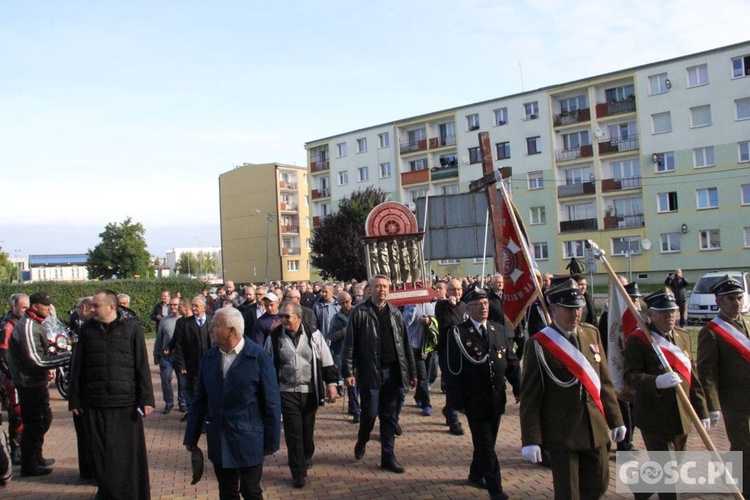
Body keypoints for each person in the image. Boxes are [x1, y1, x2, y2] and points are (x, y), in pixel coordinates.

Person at [520, 279, 625, 500]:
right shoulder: (539, 344)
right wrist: (531, 438)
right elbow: (531, 397)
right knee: (568, 493)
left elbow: (604, 382)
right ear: (554, 309)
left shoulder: (591, 333)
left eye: (578, 307)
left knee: (598, 485)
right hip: (562, 431)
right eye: (568, 308)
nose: (575, 313)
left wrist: (616, 419)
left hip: (594, 427)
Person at [184, 307, 281, 500]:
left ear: (232, 330)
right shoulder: (209, 358)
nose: (210, 329)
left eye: (215, 326)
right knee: (227, 491)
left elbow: (271, 402)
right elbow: (199, 401)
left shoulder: (258, 357)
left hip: (249, 436)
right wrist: (191, 436)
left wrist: (272, 440)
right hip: (220, 437)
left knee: (250, 490)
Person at [623, 288, 709, 500]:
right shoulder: (639, 339)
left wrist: (703, 410)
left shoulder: (682, 336)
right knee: (668, 473)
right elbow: (630, 375)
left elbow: (693, 377)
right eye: (663, 312)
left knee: (670, 465)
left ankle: (642, 487)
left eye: (673, 311)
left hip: (682, 414)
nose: (670, 315)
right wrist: (656, 381)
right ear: (650, 315)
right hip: (654, 415)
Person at [68, 290, 154, 499]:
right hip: (95, 402)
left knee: (126, 456)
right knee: (100, 455)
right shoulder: (87, 329)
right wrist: (75, 398)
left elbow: (141, 363)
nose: (92, 309)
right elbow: (78, 365)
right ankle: (107, 493)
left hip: (125, 404)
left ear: (111, 307)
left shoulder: (131, 327)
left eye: (96, 306)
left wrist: (147, 398)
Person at [445, 287, 519, 499]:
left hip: (496, 397)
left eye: (486, 303)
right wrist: (456, 401)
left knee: (488, 441)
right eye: (478, 304)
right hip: (474, 398)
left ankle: (476, 473)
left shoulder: (499, 330)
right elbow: (452, 371)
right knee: (486, 444)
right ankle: (495, 489)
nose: (484, 307)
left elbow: (511, 362)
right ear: (468, 308)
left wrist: (518, 387)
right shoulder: (458, 333)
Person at [342, 274, 417, 474]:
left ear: (389, 290)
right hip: (370, 373)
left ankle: (388, 457)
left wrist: (411, 370)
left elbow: (405, 345)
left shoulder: (395, 313)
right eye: (378, 286)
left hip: (392, 372)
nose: (381, 290)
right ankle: (363, 438)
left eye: (385, 287)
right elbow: (349, 345)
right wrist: (348, 371)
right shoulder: (360, 312)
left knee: (389, 416)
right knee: (369, 414)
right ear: (371, 289)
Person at [265, 302, 338, 488]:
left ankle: (306, 455)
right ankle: (298, 472)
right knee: (293, 433)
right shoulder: (274, 337)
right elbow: (267, 364)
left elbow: (326, 359)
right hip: (287, 391)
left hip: (309, 391)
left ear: (298, 317)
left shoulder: (314, 334)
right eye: (281, 316)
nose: (283, 320)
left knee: (307, 430)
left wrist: (331, 384)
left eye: (287, 316)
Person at [7, 291, 72, 477]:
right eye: (45, 305)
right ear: (35, 306)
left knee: (44, 419)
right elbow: (36, 360)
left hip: (37, 382)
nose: (49, 308)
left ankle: (36, 457)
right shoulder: (27, 326)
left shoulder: (36, 324)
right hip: (28, 384)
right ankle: (30, 463)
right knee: (34, 423)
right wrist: (67, 357)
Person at [697, 275, 750, 496]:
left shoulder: (747, 323)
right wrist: (713, 404)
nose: (736, 303)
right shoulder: (711, 332)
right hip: (735, 401)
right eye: (730, 299)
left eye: (739, 298)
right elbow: (706, 372)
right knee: (744, 448)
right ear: (718, 301)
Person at [597, 279, 642, 452]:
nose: (634, 301)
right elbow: (604, 342)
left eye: (636, 298)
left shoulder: (640, 318)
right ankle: (624, 444)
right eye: (631, 298)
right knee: (623, 409)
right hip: (616, 369)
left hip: (635, 370)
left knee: (633, 409)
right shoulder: (611, 316)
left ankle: (628, 440)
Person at [171, 295, 213, 421]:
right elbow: (179, 346)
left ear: (204, 307)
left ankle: (209, 417)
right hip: (193, 365)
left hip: (211, 364)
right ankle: (198, 419)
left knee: (210, 392)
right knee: (195, 392)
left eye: (196, 306)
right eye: (192, 305)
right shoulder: (185, 323)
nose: (193, 308)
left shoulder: (213, 320)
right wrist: (181, 365)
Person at [434, 278, 468, 436]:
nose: (457, 293)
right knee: (452, 384)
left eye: (459, 289)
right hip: (447, 351)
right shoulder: (441, 305)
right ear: (447, 291)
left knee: (459, 385)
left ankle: (449, 410)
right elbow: (446, 323)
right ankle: (454, 420)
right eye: (453, 290)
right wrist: (451, 306)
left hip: (462, 352)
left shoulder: (465, 306)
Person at [0, 293, 29, 466]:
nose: (26, 310)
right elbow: (2, 354)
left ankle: (23, 448)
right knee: (16, 411)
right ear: (14, 307)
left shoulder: (23, 323)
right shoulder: (7, 326)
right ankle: (16, 450)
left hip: (23, 375)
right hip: (11, 377)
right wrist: (12, 375)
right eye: (23, 307)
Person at [402, 298, 436, 416]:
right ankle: (426, 404)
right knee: (422, 376)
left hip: (426, 345)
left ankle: (418, 396)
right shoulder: (409, 304)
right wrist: (413, 308)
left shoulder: (428, 304)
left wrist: (429, 321)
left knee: (427, 374)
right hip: (413, 345)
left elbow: (434, 320)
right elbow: (406, 322)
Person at [153, 296, 184, 414]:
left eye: (175, 305)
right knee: (165, 379)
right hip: (166, 356)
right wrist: (156, 354)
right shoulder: (164, 321)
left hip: (180, 356)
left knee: (182, 381)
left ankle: (182, 402)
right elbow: (159, 338)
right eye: (171, 305)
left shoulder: (185, 320)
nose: (173, 307)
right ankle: (169, 402)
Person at [328, 291, 356, 415]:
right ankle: (355, 409)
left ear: (351, 300)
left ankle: (354, 405)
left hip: (359, 351)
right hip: (344, 353)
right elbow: (330, 335)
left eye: (347, 302)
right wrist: (341, 333)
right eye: (342, 303)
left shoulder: (358, 312)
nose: (345, 305)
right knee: (350, 380)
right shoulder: (336, 318)